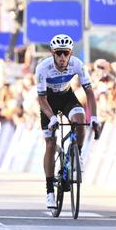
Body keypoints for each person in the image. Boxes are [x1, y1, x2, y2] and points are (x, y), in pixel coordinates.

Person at [35, 34, 99, 211]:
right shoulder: (42, 68)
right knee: (50, 143)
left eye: (66, 53)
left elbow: (90, 93)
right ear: (52, 53)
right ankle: (49, 190)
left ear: (70, 53)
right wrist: (53, 118)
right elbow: (41, 99)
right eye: (59, 53)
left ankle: (76, 155)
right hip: (48, 102)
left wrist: (94, 118)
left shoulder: (77, 64)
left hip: (67, 97)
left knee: (79, 122)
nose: (62, 57)